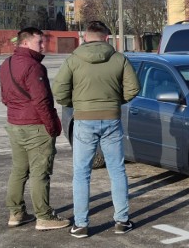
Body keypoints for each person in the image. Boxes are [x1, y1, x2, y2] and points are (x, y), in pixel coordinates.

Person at [52, 21, 140, 238]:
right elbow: (134, 88)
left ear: (85, 37)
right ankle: (121, 220)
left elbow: (59, 90)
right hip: (111, 119)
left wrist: (74, 104)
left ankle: (81, 225)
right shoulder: (119, 58)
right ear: (107, 38)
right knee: (117, 170)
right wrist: (115, 102)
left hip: (83, 119)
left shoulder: (73, 60)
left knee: (82, 173)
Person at [0, 27, 71, 231]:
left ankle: (16, 213)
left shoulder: (7, 63)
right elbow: (42, 101)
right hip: (35, 126)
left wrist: (18, 110)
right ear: (25, 42)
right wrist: (53, 126)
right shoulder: (34, 67)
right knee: (40, 173)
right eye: (39, 42)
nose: (43, 46)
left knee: (19, 170)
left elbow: (5, 97)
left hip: (15, 124)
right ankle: (44, 216)